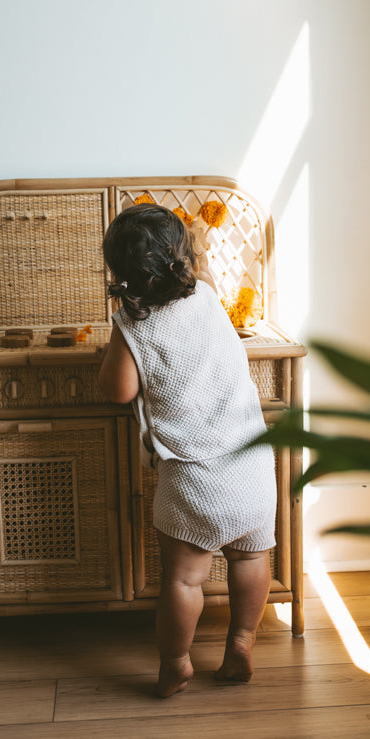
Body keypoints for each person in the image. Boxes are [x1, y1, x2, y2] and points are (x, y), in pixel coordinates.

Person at [98, 203, 276, 698]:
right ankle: (241, 641)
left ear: (121, 272)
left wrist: (113, 350)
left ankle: (176, 662)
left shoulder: (131, 323)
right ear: (183, 257)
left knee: (184, 580)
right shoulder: (209, 297)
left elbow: (118, 390)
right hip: (253, 464)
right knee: (250, 558)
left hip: (196, 476)